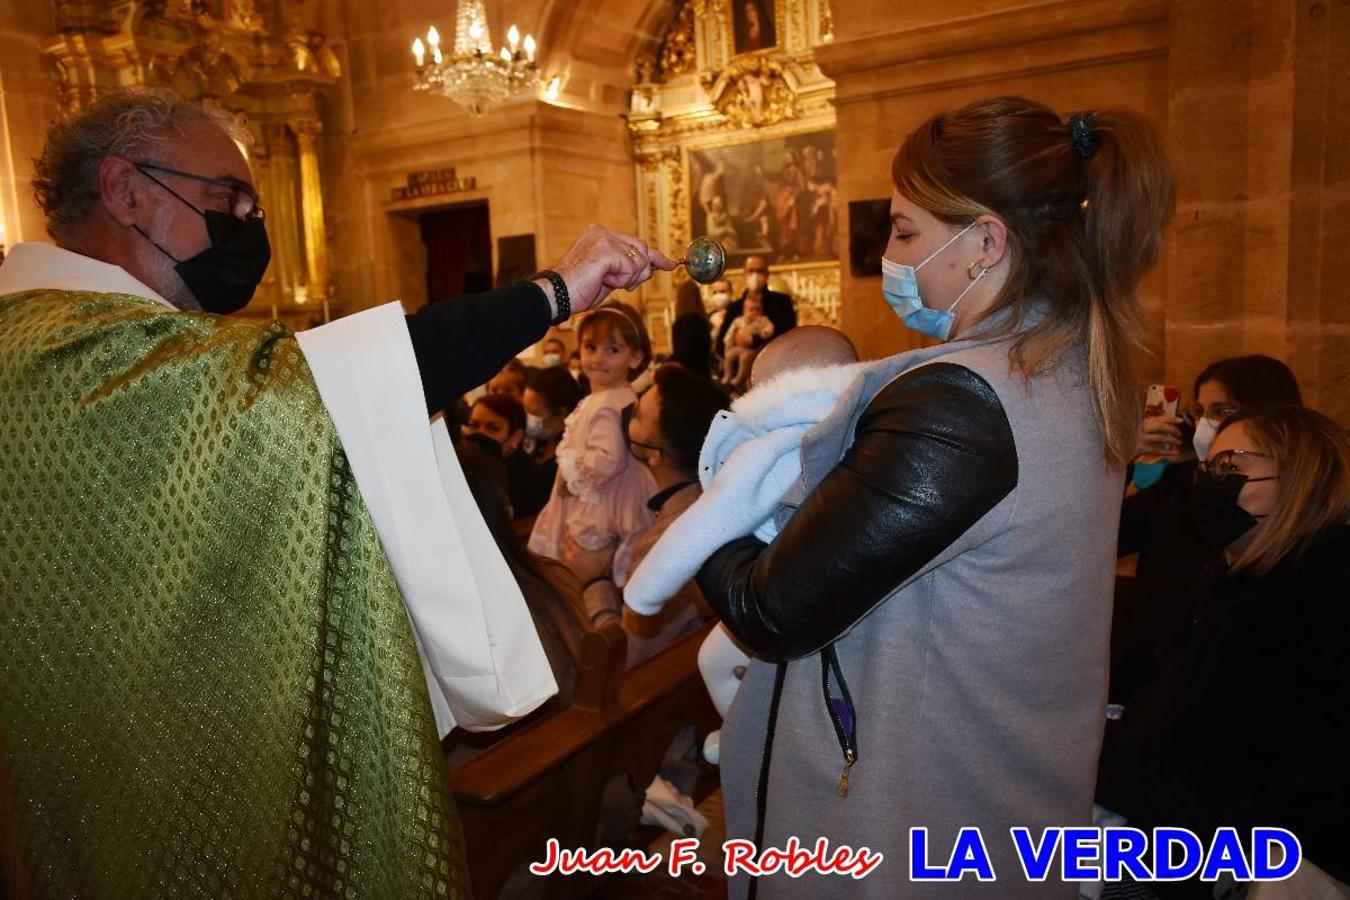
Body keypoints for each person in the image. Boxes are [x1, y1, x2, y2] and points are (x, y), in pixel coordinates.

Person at [0, 87, 675, 898]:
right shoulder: (73, 354)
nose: (248, 224)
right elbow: (345, 389)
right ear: (124, 190)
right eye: (227, 199)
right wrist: (555, 291)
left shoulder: (64, 340)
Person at [694, 97, 1175, 899]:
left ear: (987, 242)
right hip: (991, 794)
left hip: (908, 819)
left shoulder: (963, 400)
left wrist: (707, 490)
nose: (889, 253)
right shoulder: (1065, 368)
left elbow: (771, 610)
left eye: (907, 230)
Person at [1097, 406, 1350, 899]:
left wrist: (1082, 758)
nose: (1207, 484)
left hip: (1282, 855)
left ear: (1301, 478)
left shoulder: (1313, 592)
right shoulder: (1236, 578)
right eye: (1206, 466)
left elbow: (1207, 776)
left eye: (1230, 466)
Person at [624, 327, 861, 767]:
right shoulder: (859, 431)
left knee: (716, 659)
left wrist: (645, 591)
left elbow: (712, 518)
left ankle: (742, 735)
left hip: (775, 581)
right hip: (830, 588)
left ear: (776, 389)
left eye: (755, 383)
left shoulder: (773, 443)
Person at [1111, 354, 1302, 702]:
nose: (1205, 426)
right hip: (1155, 674)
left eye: (1221, 412)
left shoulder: (1295, 505)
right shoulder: (1181, 482)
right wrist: (1117, 460)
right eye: (1200, 412)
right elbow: (1109, 537)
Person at [570, 363, 728, 666]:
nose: (628, 414)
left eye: (638, 414)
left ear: (656, 454)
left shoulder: (668, 544)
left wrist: (593, 582)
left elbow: (627, 658)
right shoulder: (714, 498)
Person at [528, 302, 657, 590]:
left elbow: (608, 459)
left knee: (586, 575)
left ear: (635, 358)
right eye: (590, 347)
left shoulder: (610, 402)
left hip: (603, 501)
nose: (598, 359)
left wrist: (570, 472)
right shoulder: (611, 397)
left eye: (612, 350)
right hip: (603, 493)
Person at [462, 393, 555, 520]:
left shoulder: (530, 483)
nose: (480, 434)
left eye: (493, 428)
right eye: (474, 426)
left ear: (516, 437)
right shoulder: (462, 465)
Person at [714, 254, 795, 352]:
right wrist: (736, 339)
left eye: (759, 271)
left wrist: (754, 340)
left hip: (772, 358)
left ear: (767, 274)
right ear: (744, 274)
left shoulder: (782, 302)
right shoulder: (734, 307)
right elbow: (720, 343)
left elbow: (788, 336)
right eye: (751, 270)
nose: (755, 275)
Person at [720, 292, 776, 388]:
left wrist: (765, 333)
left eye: (757, 309)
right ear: (744, 310)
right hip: (738, 347)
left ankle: (740, 378)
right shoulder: (738, 321)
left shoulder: (762, 320)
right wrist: (728, 342)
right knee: (729, 356)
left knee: (744, 358)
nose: (754, 312)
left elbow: (770, 328)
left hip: (751, 349)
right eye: (750, 310)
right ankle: (727, 374)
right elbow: (730, 332)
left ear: (761, 310)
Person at [670, 278, 714, 379]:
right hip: (703, 374)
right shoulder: (702, 321)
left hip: (689, 377)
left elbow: (683, 354)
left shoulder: (682, 323)